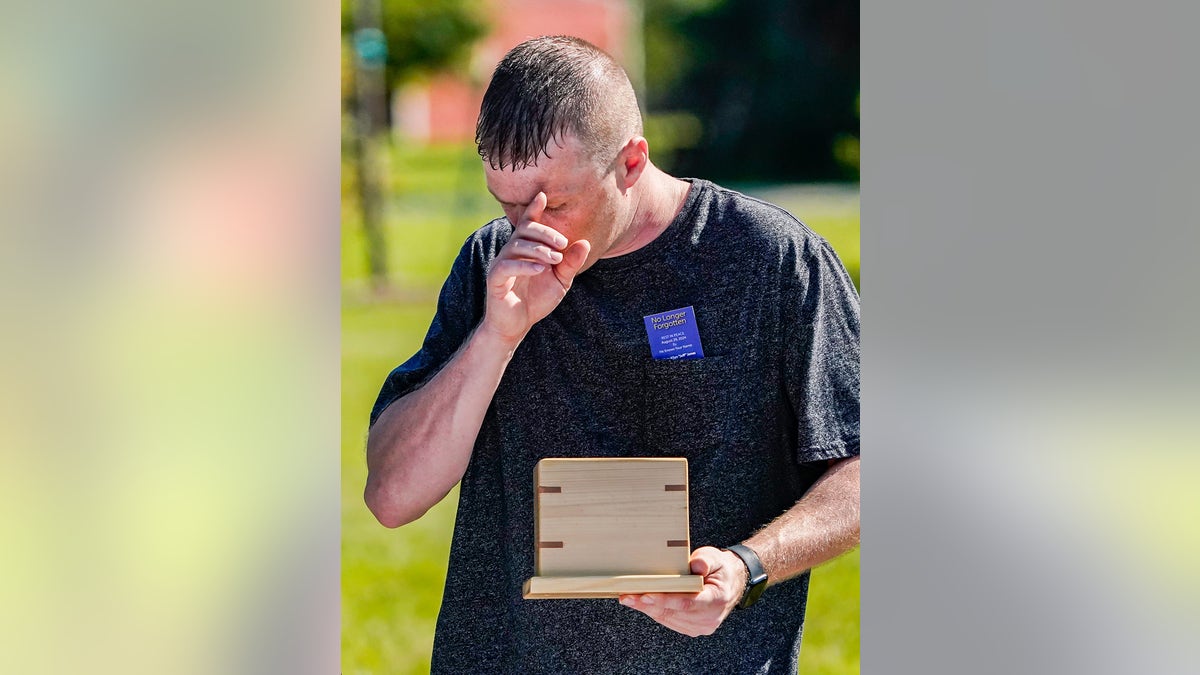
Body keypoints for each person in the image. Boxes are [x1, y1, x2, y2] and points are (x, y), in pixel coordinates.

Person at [365, 35, 860, 673]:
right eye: (508, 204)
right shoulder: (491, 267)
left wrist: (748, 566)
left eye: (556, 204)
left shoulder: (769, 258)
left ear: (630, 161)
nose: (528, 229)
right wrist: (497, 334)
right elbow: (392, 496)